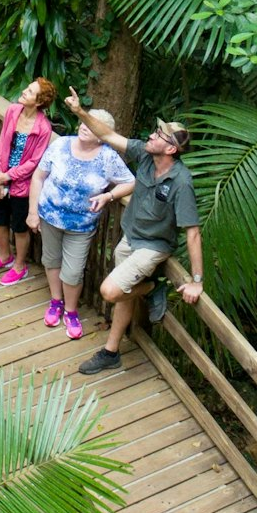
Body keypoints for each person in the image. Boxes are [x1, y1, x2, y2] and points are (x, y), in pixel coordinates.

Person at [64, 89, 204, 375]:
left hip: (153, 246)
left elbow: (192, 232)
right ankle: (111, 352)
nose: (152, 136)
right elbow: (108, 135)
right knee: (125, 294)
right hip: (131, 236)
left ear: (171, 150)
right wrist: (80, 112)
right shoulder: (144, 154)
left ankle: (155, 287)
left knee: (111, 290)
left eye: (159, 136)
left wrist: (197, 281)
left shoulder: (181, 181)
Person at [26, 108, 133, 341]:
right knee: (51, 260)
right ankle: (55, 301)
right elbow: (38, 177)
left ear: (102, 134)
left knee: (73, 272)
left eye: (91, 124)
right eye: (83, 121)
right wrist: (33, 212)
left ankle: (70, 312)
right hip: (49, 215)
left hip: (81, 226)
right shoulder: (61, 144)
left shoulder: (108, 157)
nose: (85, 126)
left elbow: (130, 181)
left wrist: (108, 196)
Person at [0, 78, 58, 287]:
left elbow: (35, 161)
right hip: (1, 176)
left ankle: (19, 265)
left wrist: (9, 176)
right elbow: (2, 143)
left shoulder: (43, 127)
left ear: (39, 101)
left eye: (30, 91)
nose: (24, 91)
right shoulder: (13, 111)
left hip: (23, 186)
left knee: (20, 227)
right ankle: (4, 256)